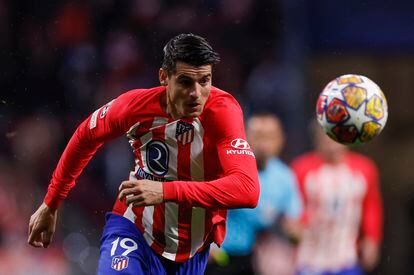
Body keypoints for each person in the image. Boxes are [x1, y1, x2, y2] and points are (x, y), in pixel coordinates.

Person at [27, 33, 260, 275]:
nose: (196, 93)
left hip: (191, 250)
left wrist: (164, 191)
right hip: (135, 230)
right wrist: (51, 202)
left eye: (205, 81)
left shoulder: (223, 111)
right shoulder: (136, 106)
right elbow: (86, 135)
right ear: (163, 77)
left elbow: (247, 189)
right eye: (185, 82)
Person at [206, 113, 302, 275]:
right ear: (245, 139)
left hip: (249, 258)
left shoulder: (285, 178)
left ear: (281, 140)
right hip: (214, 255)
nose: (264, 144)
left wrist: (295, 235)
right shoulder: (225, 168)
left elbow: (293, 225)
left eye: (270, 137)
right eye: (258, 137)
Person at [291, 123, 383, 275]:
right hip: (310, 259)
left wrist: (371, 238)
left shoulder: (364, 169)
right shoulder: (301, 168)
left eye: (336, 136)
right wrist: (296, 226)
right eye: (326, 136)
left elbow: (371, 206)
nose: (330, 142)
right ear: (316, 139)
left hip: (346, 257)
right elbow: (294, 207)